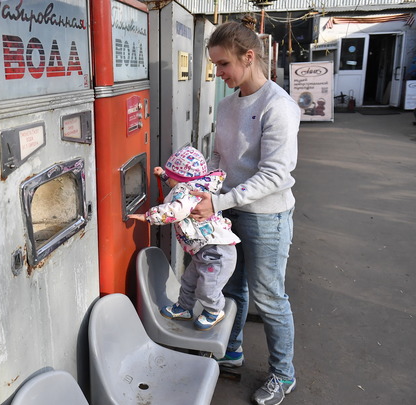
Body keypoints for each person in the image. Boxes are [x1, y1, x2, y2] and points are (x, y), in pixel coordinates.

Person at [189, 16, 300, 405]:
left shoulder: (278, 106)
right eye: (215, 65)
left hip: (266, 216)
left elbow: (275, 175)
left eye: (224, 64)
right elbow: (221, 157)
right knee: (232, 285)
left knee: (270, 298)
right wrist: (193, 184)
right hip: (229, 211)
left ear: (248, 57)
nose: (219, 74)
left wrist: (216, 201)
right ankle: (231, 350)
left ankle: (283, 375)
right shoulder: (225, 105)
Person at [128, 146, 239, 331]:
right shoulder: (196, 183)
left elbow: (175, 210)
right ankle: (184, 308)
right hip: (203, 251)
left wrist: (147, 216)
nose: (169, 179)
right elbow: (178, 183)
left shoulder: (190, 194)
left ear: (180, 180)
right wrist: (164, 175)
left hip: (217, 252)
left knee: (207, 289)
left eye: (170, 177)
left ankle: (214, 310)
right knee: (188, 281)